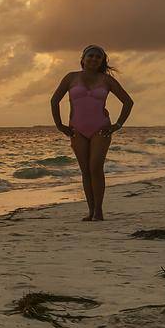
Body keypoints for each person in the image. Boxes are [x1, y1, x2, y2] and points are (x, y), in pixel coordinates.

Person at [50, 45, 135, 221]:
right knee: (85, 171)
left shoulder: (107, 80)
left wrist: (117, 125)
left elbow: (128, 102)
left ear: (102, 61)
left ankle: (99, 210)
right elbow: (54, 100)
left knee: (95, 167)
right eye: (91, 56)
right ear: (83, 58)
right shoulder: (71, 77)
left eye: (98, 57)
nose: (94, 59)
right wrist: (60, 125)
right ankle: (90, 211)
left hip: (101, 128)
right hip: (77, 130)